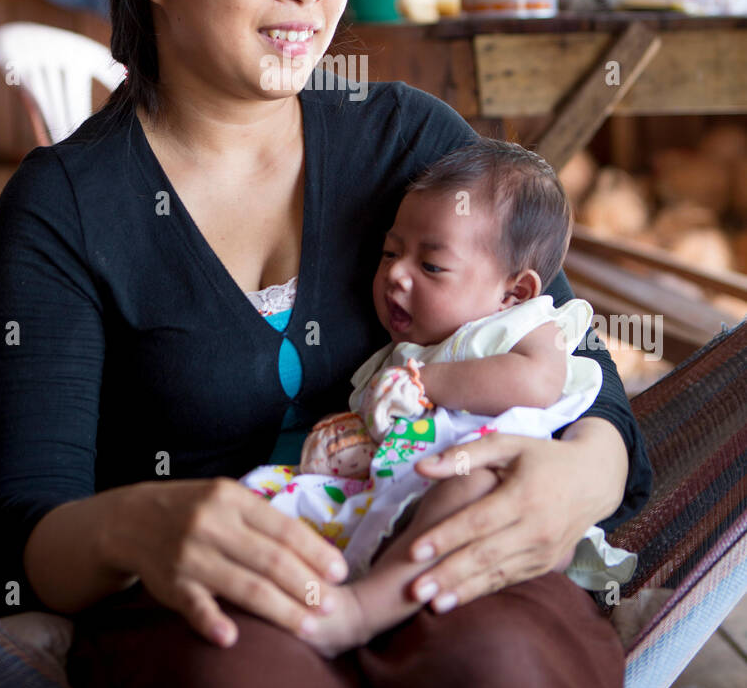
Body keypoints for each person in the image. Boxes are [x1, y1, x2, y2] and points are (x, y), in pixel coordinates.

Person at [0, 0, 652, 688]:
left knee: (503, 674)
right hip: (209, 605)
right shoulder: (65, 209)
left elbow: (580, 374)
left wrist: (578, 479)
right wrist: (150, 523)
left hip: (446, 553)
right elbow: (23, 536)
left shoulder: (410, 146)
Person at [241, 139, 638, 658]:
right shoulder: (406, 353)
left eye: (431, 266)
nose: (396, 275)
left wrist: (429, 385)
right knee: (268, 491)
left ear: (513, 292)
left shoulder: (521, 326)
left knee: (467, 486)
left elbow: (539, 381)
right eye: (390, 253)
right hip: (397, 492)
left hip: (490, 490)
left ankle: (362, 613)